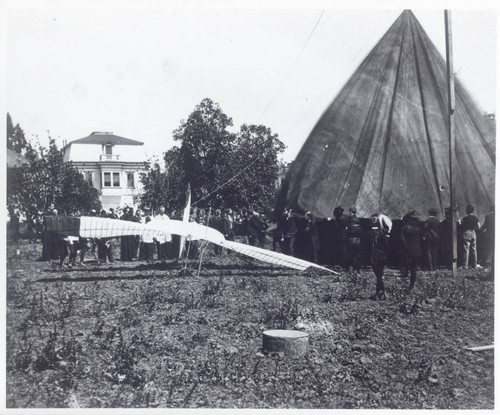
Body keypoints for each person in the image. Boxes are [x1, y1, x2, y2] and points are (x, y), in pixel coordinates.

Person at [369, 213, 392, 300]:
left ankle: (380, 292)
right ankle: (381, 292)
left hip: (374, 255)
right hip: (381, 255)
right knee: (379, 274)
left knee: (378, 275)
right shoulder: (383, 234)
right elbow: (386, 246)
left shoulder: (370, 234)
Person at [401, 211, 422, 291]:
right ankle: (411, 286)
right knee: (414, 270)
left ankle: (406, 277)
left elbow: (402, 240)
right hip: (416, 251)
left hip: (407, 251)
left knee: (406, 267)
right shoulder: (418, 229)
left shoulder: (405, 229)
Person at [459, 205, 481, 269]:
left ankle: (465, 265)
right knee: (474, 250)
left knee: (466, 249)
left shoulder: (464, 218)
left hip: (466, 233)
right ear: (473, 210)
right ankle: (474, 265)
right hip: (473, 233)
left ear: (466, 211)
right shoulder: (475, 218)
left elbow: (461, 226)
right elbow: (478, 226)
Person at [346, 207, 363, 272]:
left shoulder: (350, 220)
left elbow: (349, 231)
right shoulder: (358, 220)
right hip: (358, 240)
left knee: (351, 254)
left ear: (350, 212)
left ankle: (352, 268)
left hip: (351, 240)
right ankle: (357, 268)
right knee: (357, 255)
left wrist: (347, 231)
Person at [480, 205, 494, 272]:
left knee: (487, 249)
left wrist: (480, 230)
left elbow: (485, 225)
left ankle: (485, 263)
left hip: (489, 235)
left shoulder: (488, 216)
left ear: (490, 209)